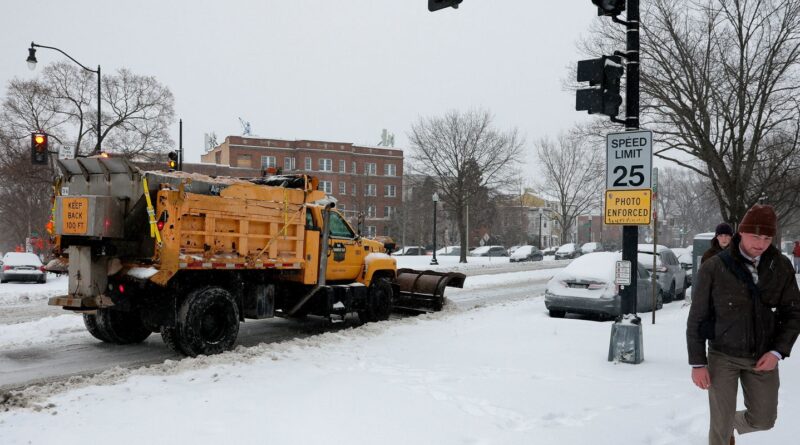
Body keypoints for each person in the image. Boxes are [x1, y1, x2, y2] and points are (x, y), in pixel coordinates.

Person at [687, 204, 800, 445]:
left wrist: (777, 351)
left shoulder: (780, 266)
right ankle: (723, 427)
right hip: (723, 355)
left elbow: (793, 312)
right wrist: (698, 362)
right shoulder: (714, 266)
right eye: (755, 236)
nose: (761, 243)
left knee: (763, 419)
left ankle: (729, 424)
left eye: (767, 237)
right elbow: (697, 316)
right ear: (742, 232)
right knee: (719, 428)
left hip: (763, 356)